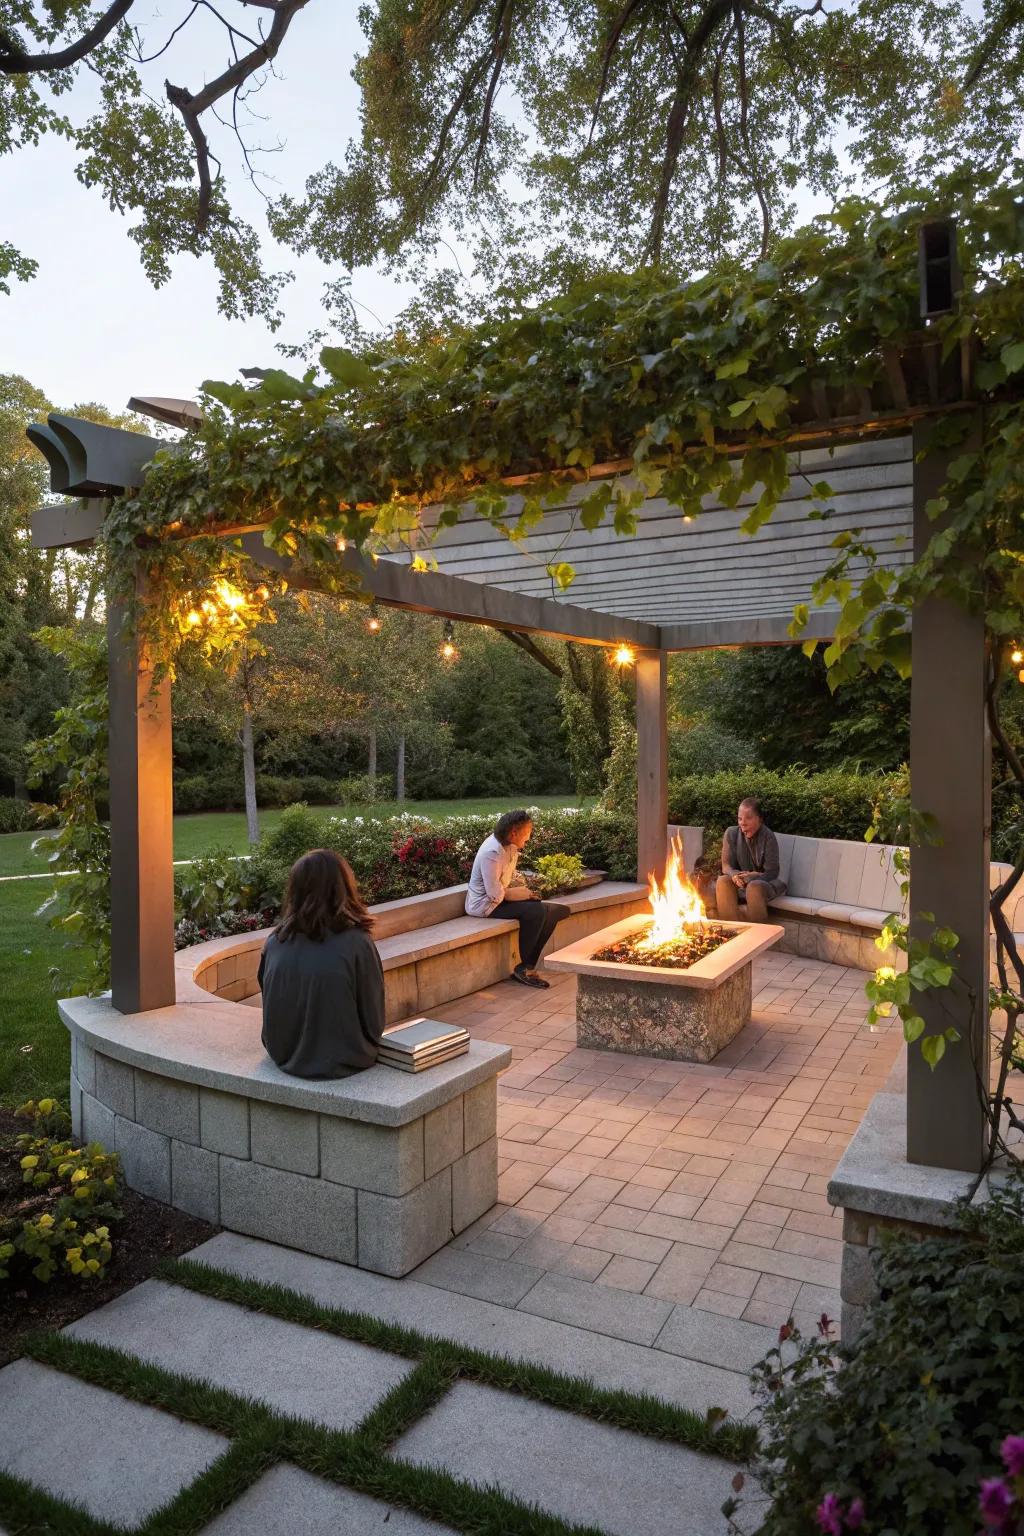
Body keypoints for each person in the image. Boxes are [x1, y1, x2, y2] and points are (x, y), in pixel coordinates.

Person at [258, 848, 385, 1078]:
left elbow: (270, 1003)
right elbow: (374, 1023)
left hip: (282, 1055)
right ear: (343, 886)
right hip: (346, 1061)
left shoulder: (275, 942)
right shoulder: (357, 943)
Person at [466, 809, 570, 989]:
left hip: (500, 899)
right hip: (485, 906)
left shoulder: (511, 846)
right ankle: (525, 968)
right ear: (514, 832)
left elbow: (507, 879)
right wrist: (518, 894)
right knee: (536, 911)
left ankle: (526, 966)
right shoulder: (491, 853)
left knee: (557, 911)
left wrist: (524, 892)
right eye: (527, 832)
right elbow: (494, 894)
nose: (529, 836)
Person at [715, 797, 786, 923]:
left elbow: (772, 872)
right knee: (723, 881)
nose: (743, 823)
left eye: (748, 818)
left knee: (754, 887)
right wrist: (735, 875)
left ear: (760, 819)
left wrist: (753, 877)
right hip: (740, 881)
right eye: (740, 818)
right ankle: (732, 932)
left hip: (765, 883)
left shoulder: (768, 837)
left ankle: (759, 938)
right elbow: (726, 866)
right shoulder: (731, 833)